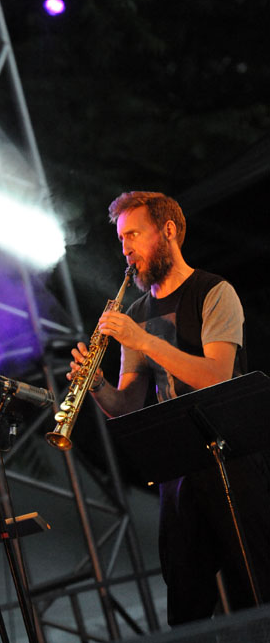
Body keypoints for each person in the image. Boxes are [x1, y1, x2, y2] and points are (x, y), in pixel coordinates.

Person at [69, 190, 270, 626]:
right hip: (178, 471)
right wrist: (97, 384)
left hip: (231, 460)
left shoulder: (214, 292)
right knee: (185, 603)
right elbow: (127, 405)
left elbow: (216, 376)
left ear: (169, 231)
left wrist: (143, 340)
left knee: (255, 587)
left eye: (134, 235)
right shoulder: (137, 312)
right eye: (121, 240)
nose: (126, 249)